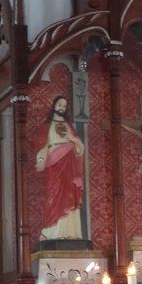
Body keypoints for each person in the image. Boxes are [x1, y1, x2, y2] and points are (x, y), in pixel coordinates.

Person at [35, 95, 85, 240]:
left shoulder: (69, 127)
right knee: (54, 195)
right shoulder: (47, 127)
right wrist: (40, 159)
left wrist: (75, 140)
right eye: (59, 104)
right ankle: (52, 233)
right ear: (54, 106)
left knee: (69, 196)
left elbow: (80, 149)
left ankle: (70, 233)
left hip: (70, 166)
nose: (62, 107)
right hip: (54, 167)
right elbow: (43, 147)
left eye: (64, 105)